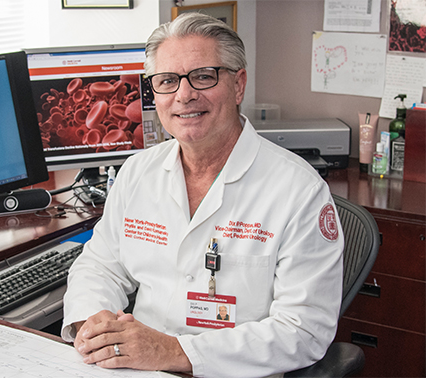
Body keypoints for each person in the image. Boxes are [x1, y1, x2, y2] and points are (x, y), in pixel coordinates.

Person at [62, 12, 344, 378]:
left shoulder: (299, 192)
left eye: (203, 76)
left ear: (238, 85)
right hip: (135, 368)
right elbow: (100, 265)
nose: (184, 95)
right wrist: (94, 320)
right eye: (166, 81)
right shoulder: (137, 172)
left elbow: (304, 330)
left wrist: (172, 351)